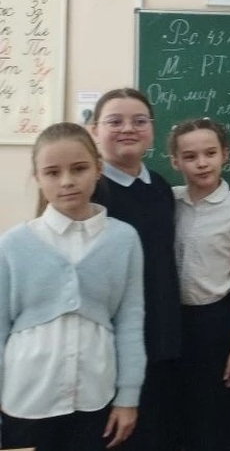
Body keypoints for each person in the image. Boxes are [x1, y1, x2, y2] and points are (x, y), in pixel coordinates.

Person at [0, 122, 145, 451]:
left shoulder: (124, 239)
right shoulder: (12, 244)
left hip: (95, 395)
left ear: (98, 169)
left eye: (79, 169)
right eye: (52, 172)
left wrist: (128, 398)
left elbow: (130, 323)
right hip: (26, 398)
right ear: (38, 178)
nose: (66, 181)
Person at [88, 88, 183, 451]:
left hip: (163, 339)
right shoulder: (91, 191)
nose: (128, 128)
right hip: (111, 346)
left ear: (152, 130)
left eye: (139, 121)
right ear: (95, 130)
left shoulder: (160, 186)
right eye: (115, 121)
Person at [169, 118, 230, 451]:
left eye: (210, 153)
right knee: (178, 416)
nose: (202, 163)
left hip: (216, 324)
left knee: (216, 418)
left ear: (225, 154)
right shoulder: (168, 201)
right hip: (174, 324)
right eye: (190, 156)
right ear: (175, 161)